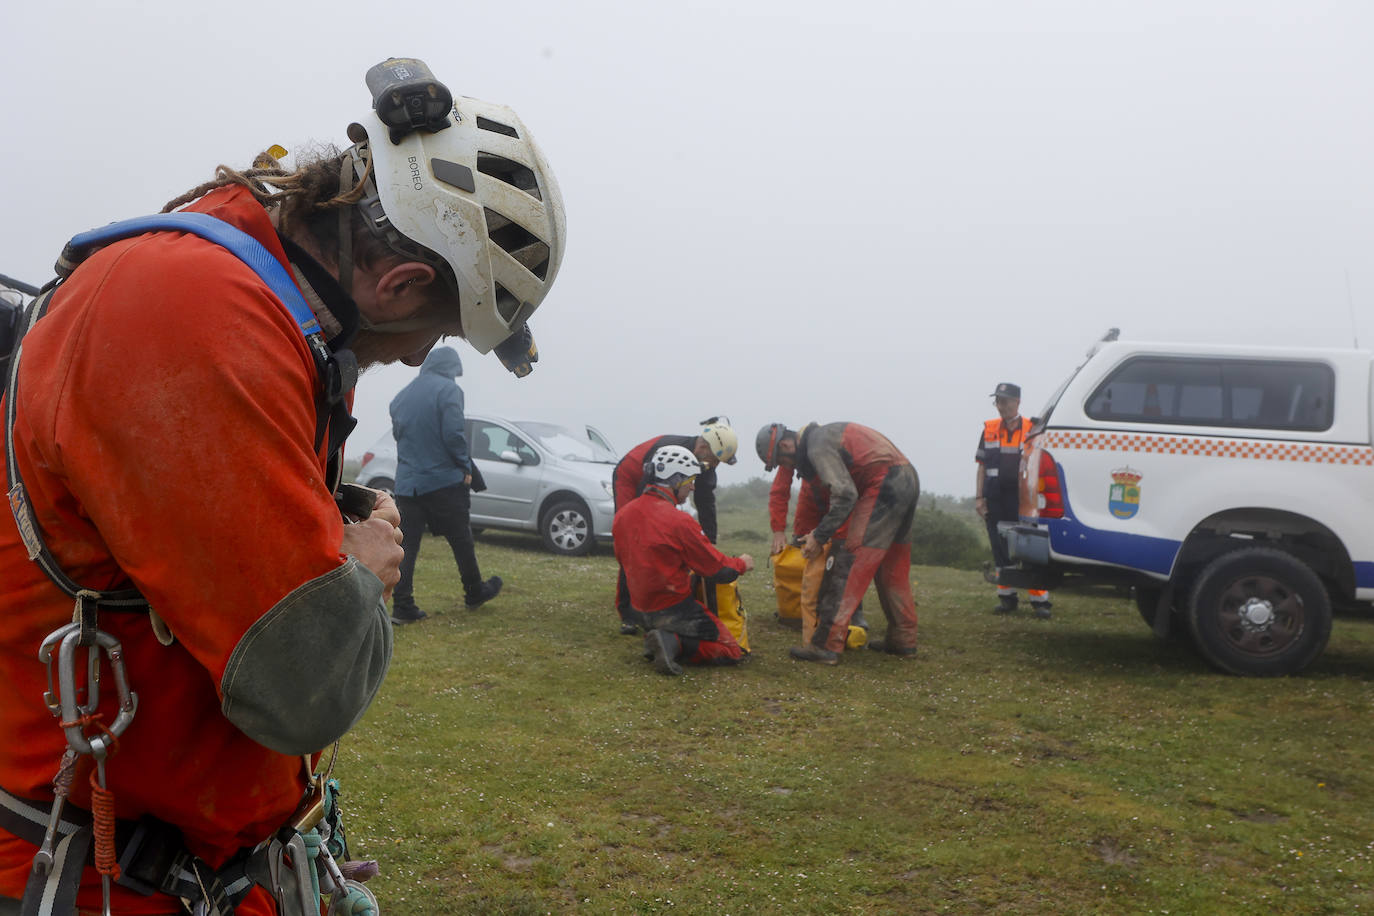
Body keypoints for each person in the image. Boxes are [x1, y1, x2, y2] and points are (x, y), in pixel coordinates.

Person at [0, 57, 565, 916]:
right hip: (95, 879)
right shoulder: (193, 312)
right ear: (400, 283)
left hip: (178, 858)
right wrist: (362, 571)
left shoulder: (259, 300)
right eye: (430, 333)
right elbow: (306, 685)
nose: (414, 356)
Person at [756, 421, 919, 664]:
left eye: (783, 461)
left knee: (848, 563)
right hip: (906, 478)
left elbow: (845, 494)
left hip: (884, 483)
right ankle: (903, 638)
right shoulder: (824, 438)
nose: (787, 466)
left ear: (786, 444)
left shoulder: (817, 445)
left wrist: (819, 536)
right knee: (892, 568)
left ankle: (826, 645)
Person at [613, 446, 755, 676]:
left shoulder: (623, 514)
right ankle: (672, 642)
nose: (692, 486)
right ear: (675, 479)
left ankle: (659, 637)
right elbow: (717, 570)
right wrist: (741, 563)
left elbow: (624, 562)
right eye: (689, 480)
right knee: (731, 650)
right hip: (672, 609)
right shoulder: (680, 522)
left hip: (638, 609)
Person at [389, 346, 503, 623]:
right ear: (451, 369)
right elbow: (453, 435)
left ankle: (402, 606)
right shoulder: (449, 391)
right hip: (443, 482)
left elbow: (400, 437)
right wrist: (465, 467)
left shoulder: (400, 398)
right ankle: (474, 591)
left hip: (407, 485)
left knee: (408, 547)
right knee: (461, 539)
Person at [611, 418, 738, 634]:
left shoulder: (704, 463)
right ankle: (628, 612)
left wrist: (710, 544)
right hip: (631, 478)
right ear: (702, 447)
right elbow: (649, 497)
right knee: (636, 542)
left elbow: (706, 502)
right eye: (715, 460)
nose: (714, 466)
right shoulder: (668, 452)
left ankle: (659, 598)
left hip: (648, 486)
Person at [975, 382, 1052, 618]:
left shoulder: (1034, 428)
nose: (1001, 406)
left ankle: (1040, 602)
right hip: (994, 498)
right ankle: (1007, 598)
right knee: (1000, 549)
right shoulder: (989, 429)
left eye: (1006, 401)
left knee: (1030, 549)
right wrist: (979, 498)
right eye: (998, 401)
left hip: (1023, 500)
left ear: (1018, 402)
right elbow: (981, 467)